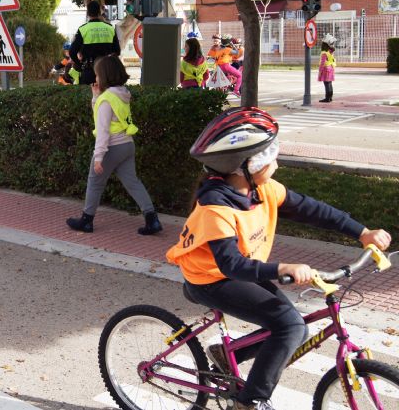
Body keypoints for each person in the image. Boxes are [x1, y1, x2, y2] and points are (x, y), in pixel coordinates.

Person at [166, 107, 391, 410]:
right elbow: (232, 265)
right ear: (243, 166)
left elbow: (311, 209)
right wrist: (281, 267)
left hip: (238, 272)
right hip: (210, 279)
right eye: (268, 156)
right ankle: (248, 403)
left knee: (295, 327)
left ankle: (226, 354)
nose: (275, 162)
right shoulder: (215, 209)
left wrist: (361, 232)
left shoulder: (261, 189)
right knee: (291, 327)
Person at [66, 55, 162, 235]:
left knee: (94, 182)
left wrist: (99, 157)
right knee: (133, 182)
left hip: (112, 147)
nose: (95, 79)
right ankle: (152, 219)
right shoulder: (122, 93)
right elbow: (109, 117)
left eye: (97, 75)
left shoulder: (106, 99)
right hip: (127, 145)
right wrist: (96, 97)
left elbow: (103, 131)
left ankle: (86, 220)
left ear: (104, 75)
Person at [69, 0, 120, 85]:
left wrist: (80, 65)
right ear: (99, 12)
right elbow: (117, 51)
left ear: (88, 13)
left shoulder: (83, 29)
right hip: (107, 72)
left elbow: (72, 52)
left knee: (87, 97)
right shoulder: (110, 28)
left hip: (89, 72)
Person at [318, 34, 337, 103]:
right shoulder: (330, 52)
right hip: (331, 68)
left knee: (326, 84)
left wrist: (320, 72)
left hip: (326, 69)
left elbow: (322, 63)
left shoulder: (324, 53)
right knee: (330, 83)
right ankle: (330, 97)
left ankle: (327, 98)